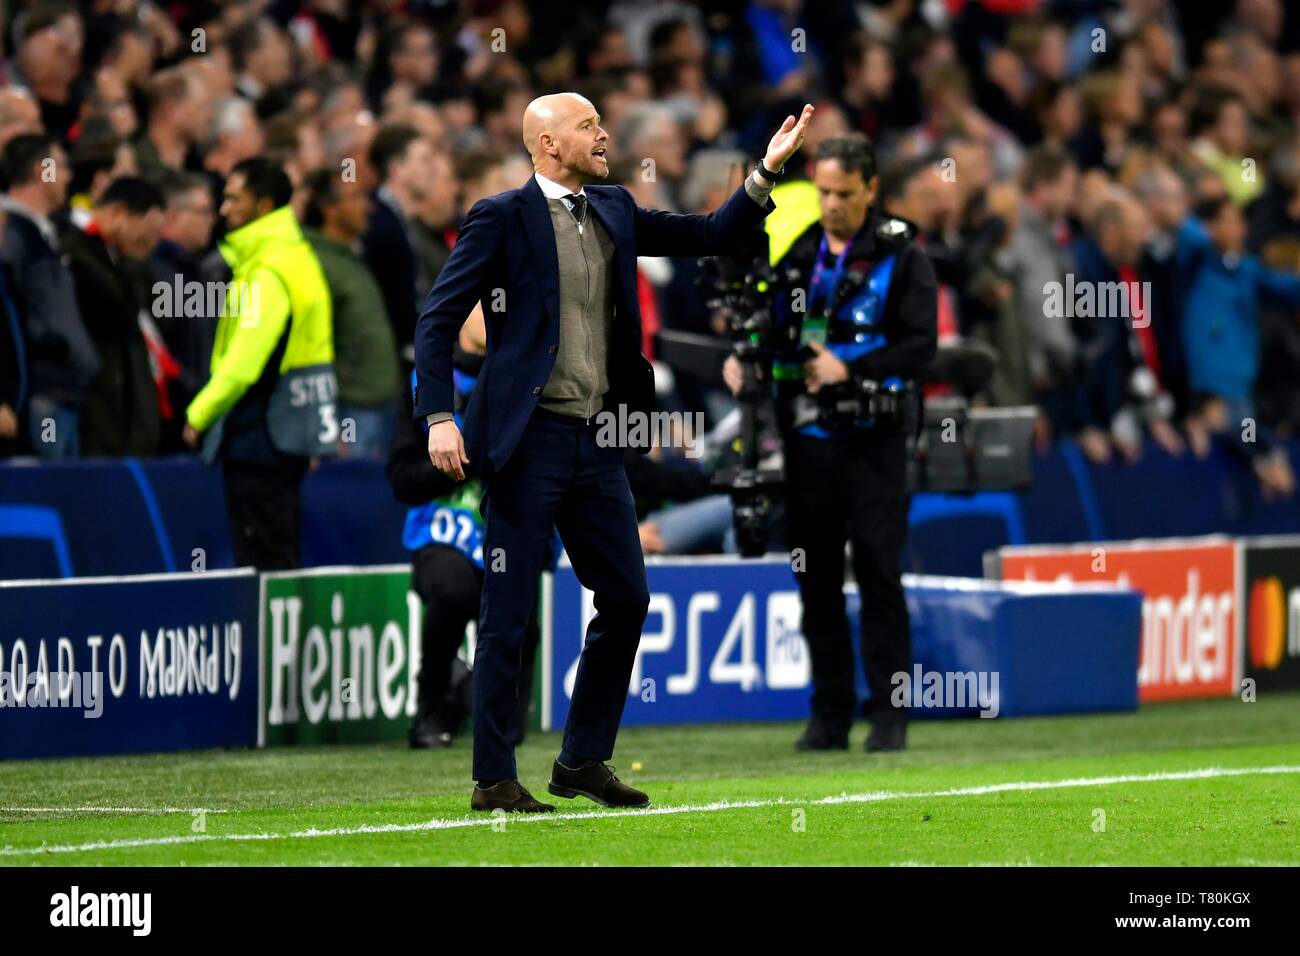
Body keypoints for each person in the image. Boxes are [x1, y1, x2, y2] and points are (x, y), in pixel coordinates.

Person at [414, 91, 812, 812]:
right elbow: (437, 320)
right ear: (546, 145)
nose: (604, 134)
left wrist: (765, 175)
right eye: (588, 125)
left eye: (601, 121)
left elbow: (710, 234)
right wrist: (440, 415)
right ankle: (494, 778)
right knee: (508, 611)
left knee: (627, 596)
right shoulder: (500, 217)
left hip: (599, 439)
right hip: (525, 441)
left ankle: (582, 760)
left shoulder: (616, 208)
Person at [724, 134, 937, 752]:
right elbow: (776, 335)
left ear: (871, 189)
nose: (832, 203)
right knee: (814, 578)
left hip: (875, 442)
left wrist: (853, 370)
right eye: (823, 191)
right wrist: (748, 363)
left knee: (878, 572)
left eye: (844, 192)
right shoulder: (802, 253)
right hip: (808, 442)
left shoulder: (903, 256)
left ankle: (890, 715)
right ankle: (830, 713)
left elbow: (920, 347)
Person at [181, 158, 335, 570]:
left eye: (234, 199)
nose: (223, 209)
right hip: (288, 429)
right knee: (280, 548)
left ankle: (267, 637)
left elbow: (244, 362)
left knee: (262, 560)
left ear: (264, 205)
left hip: (259, 435)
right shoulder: (296, 256)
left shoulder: (267, 270)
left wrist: (199, 414)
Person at [1, 133, 98, 458]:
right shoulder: (11, 234)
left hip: (63, 393)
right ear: (41, 171)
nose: (68, 175)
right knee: (49, 486)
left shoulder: (44, 233)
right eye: (61, 166)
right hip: (43, 393)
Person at [62, 176, 166, 457]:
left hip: (121, 410)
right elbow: (117, 312)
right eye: (146, 234)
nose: (150, 245)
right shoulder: (73, 249)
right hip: (90, 406)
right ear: (119, 213)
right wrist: (132, 262)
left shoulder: (117, 258)